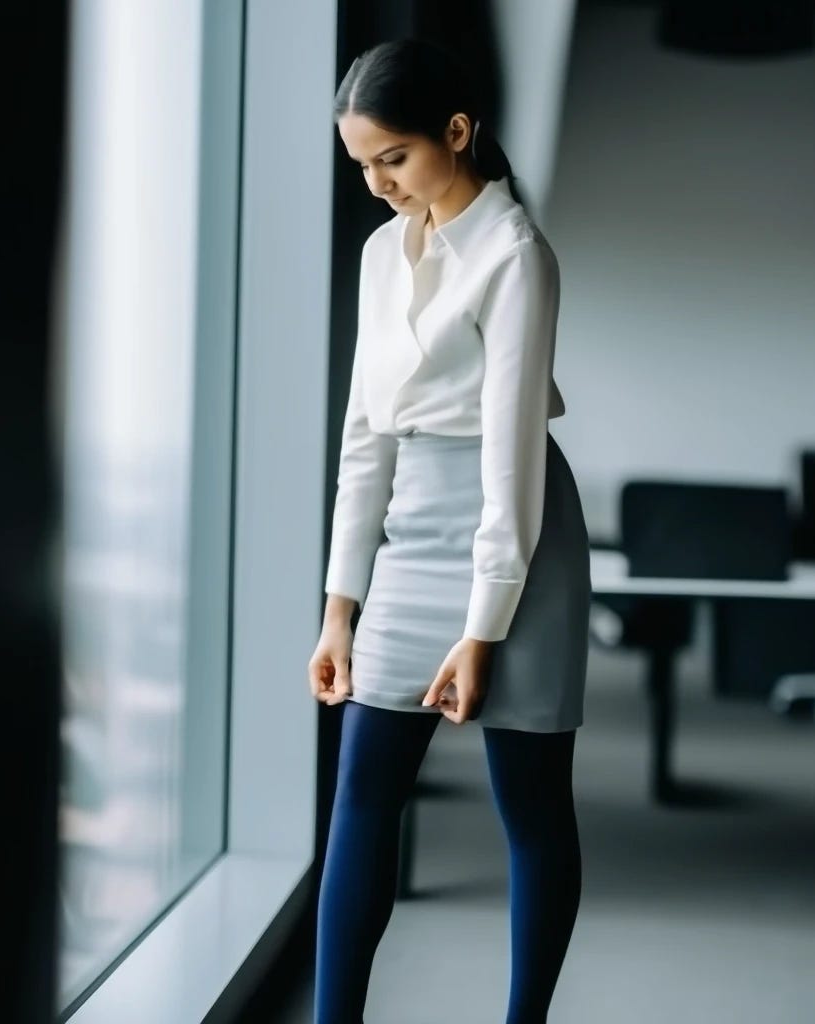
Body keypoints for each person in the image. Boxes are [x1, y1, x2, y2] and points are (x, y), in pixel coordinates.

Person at [308, 37, 591, 1024]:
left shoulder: (516, 255)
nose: (378, 184)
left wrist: (482, 629)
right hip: (409, 539)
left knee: (531, 806)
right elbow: (364, 440)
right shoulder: (380, 254)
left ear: (456, 132)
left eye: (393, 157)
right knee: (362, 793)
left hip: (517, 545)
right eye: (362, 165)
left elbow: (511, 461)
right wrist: (340, 606)